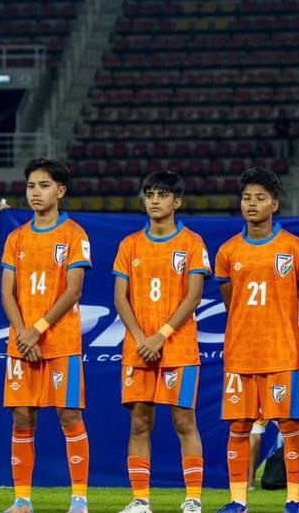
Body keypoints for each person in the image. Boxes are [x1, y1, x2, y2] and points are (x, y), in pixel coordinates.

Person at [213, 167, 299, 513]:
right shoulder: (228, 251)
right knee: (239, 427)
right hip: (241, 352)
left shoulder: (293, 248)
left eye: (259, 198)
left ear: (275, 203)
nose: (251, 204)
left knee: (289, 425)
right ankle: (238, 499)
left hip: (281, 352)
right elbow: (231, 299)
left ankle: (295, 498)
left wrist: (281, 323)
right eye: (246, 198)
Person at [112, 170, 208, 513]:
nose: (154, 200)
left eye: (162, 195)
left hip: (177, 347)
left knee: (184, 421)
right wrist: (140, 338)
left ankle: (193, 499)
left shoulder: (192, 243)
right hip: (137, 348)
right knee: (139, 422)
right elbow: (120, 297)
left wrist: (160, 336)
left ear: (176, 202)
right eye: (149, 194)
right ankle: (140, 500)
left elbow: (193, 295)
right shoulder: (129, 245)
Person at [0, 159, 92, 513]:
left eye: (43, 186)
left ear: (60, 191)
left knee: (69, 416)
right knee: (22, 417)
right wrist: (24, 334)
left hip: (60, 341)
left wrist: (36, 330)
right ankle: (22, 500)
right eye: (31, 186)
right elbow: (7, 293)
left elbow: (73, 292)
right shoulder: (16, 238)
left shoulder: (74, 234)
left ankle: (79, 498)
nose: (35, 193)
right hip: (21, 343)